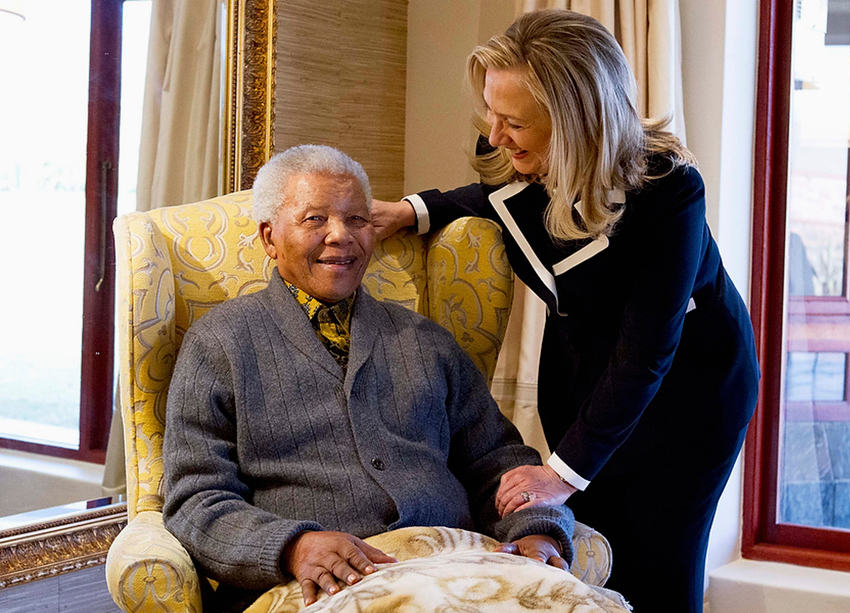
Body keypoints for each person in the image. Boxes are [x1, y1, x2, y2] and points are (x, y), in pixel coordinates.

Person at [372, 9, 760, 613]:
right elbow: (495, 196)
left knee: (659, 571)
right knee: (593, 562)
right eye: (491, 114)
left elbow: (647, 353)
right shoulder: (509, 150)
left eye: (515, 121)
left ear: (576, 122)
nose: (495, 135)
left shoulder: (669, 194)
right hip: (582, 385)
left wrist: (563, 472)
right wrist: (414, 209)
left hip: (685, 398)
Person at [162, 144, 575, 612]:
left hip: (457, 565)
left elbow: (498, 462)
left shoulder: (428, 340)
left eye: (357, 219)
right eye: (314, 219)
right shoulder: (219, 344)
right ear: (270, 237)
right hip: (317, 587)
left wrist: (536, 527)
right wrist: (294, 547)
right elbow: (195, 501)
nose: (341, 236)